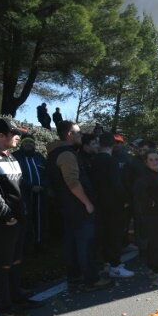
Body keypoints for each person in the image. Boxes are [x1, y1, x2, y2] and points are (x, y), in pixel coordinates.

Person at [0, 118, 39, 316]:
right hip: (4, 222)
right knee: (3, 264)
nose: (18, 137)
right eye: (14, 134)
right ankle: (6, 308)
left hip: (19, 219)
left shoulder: (11, 157)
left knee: (15, 260)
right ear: (1, 136)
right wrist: (7, 215)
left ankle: (17, 298)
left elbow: (19, 187)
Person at [47, 120, 111, 291]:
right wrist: (87, 203)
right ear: (69, 134)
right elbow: (72, 183)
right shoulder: (67, 154)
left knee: (72, 243)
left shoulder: (55, 152)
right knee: (86, 243)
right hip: (77, 207)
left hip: (66, 207)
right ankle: (91, 279)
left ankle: (75, 278)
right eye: (78, 132)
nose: (81, 135)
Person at [90, 133, 134, 278]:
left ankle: (106, 263)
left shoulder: (94, 159)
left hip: (100, 202)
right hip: (114, 204)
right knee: (115, 235)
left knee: (104, 235)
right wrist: (126, 199)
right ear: (113, 144)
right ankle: (114, 265)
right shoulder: (111, 161)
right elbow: (116, 184)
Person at [133, 149, 158, 286]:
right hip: (153, 215)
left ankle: (153, 268)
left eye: (156, 159)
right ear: (145, 162)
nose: (155, 162)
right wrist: (152, 203)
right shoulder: (145, 176)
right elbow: (138, 193)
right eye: (151, 160)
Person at [12, 136, 47, 252]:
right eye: (25, 142)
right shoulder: (15, 157)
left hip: (40, 194)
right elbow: (15, 176)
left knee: (40, 219)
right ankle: (25, 246)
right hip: (23, 195)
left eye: (31, 142)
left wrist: (43, 185)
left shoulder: (39, 157)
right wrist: (30, 186)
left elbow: (47, 173)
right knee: (25, 220)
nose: (28, 144)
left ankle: (39, 242)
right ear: (21, 144)